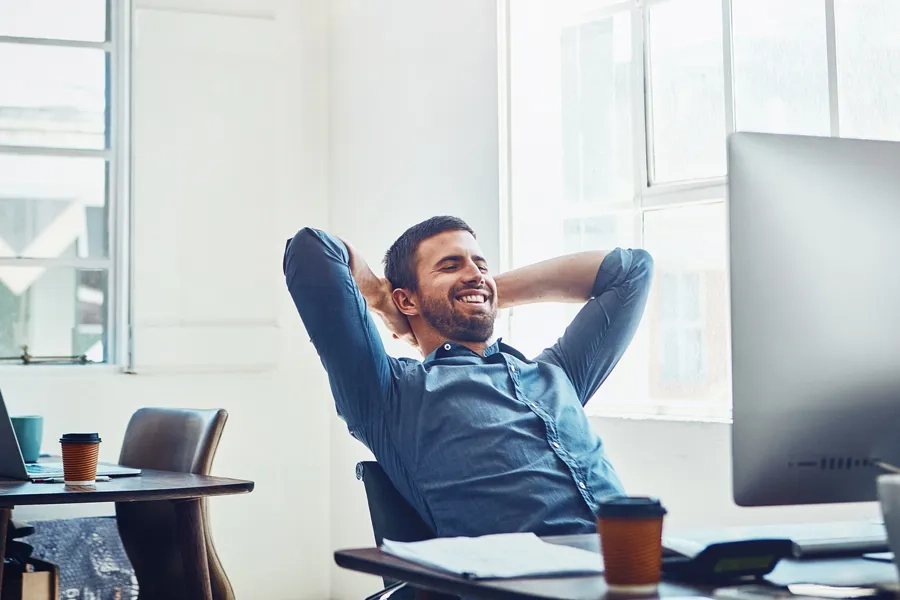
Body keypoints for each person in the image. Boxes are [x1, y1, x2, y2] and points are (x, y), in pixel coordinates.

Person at [284, 216, 653, 537]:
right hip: (535, 585)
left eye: (480, 264)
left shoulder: (554, 375)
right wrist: (381, 298)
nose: (475, 273)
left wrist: (482, 291)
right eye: (450, 265)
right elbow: (312, 250)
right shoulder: (390, 393)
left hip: (641, 568)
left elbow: (632, 269)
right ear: (406, 300)